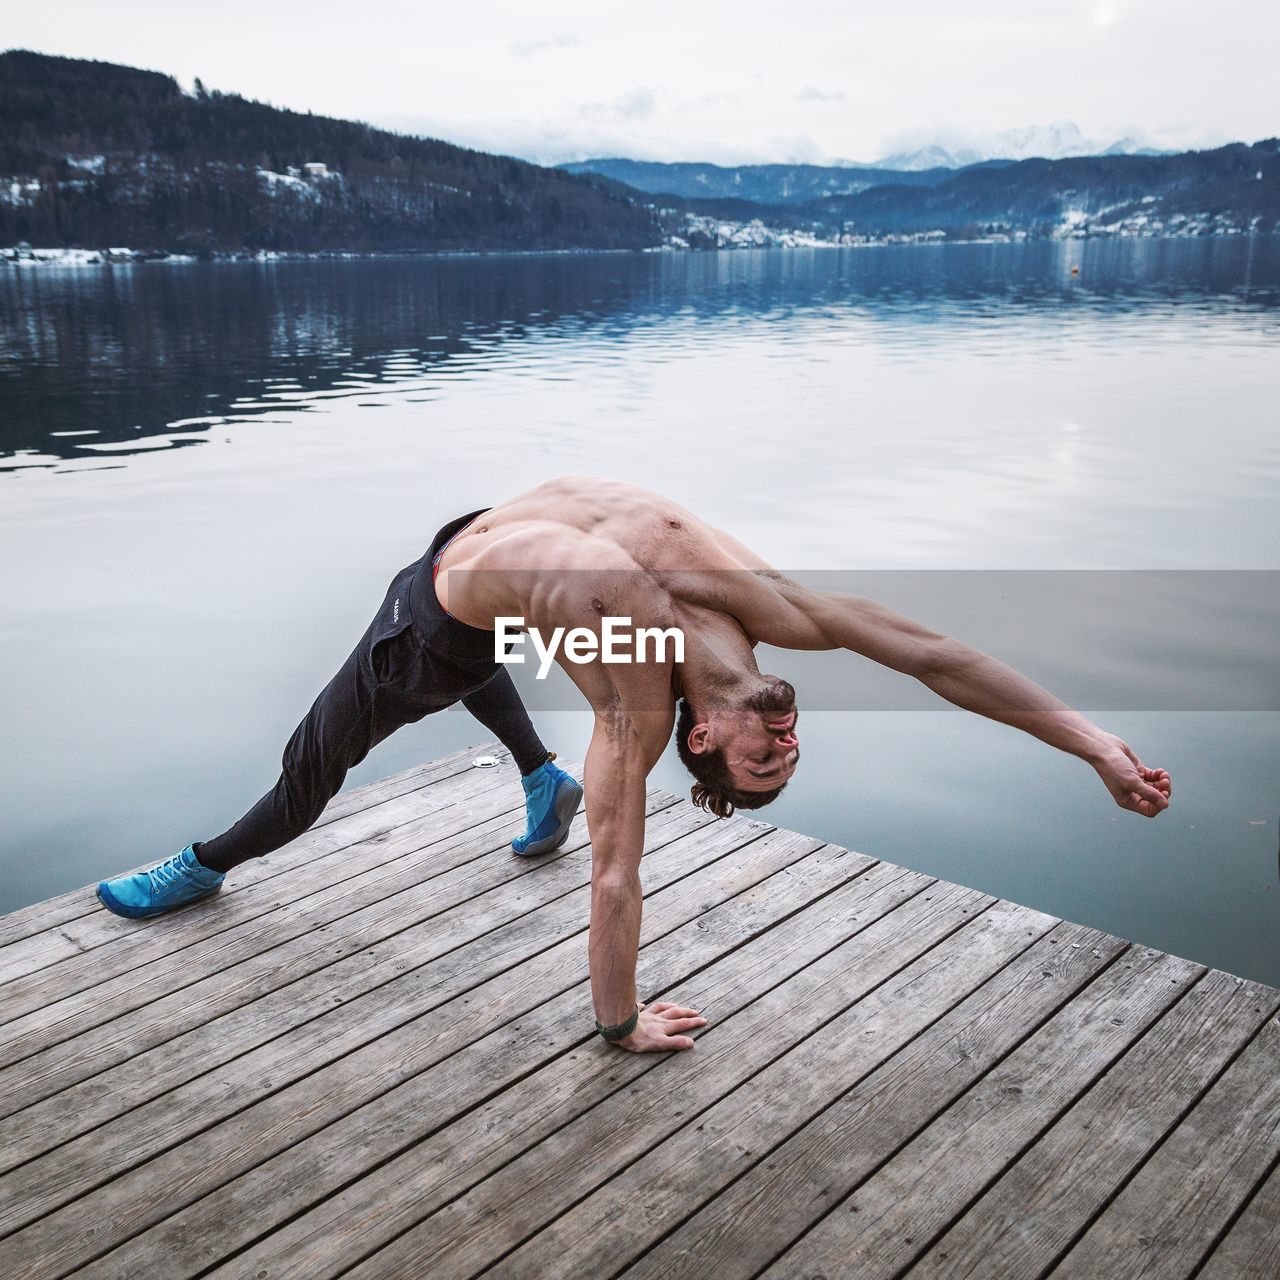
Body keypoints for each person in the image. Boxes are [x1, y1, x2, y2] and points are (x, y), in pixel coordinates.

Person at [100, 476, 1172, 1056]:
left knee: (312, 770)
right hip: (476, 562)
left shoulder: (636, 707)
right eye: (787, 753)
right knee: (503, 643)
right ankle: (533, 776)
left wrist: (616, 1023)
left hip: (423, 616)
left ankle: (200, 861)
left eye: (763, 762)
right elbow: (935, 654)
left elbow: (615, 876)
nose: (784, 744)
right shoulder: (768, 615)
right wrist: (1091, 742)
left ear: (702, 739)